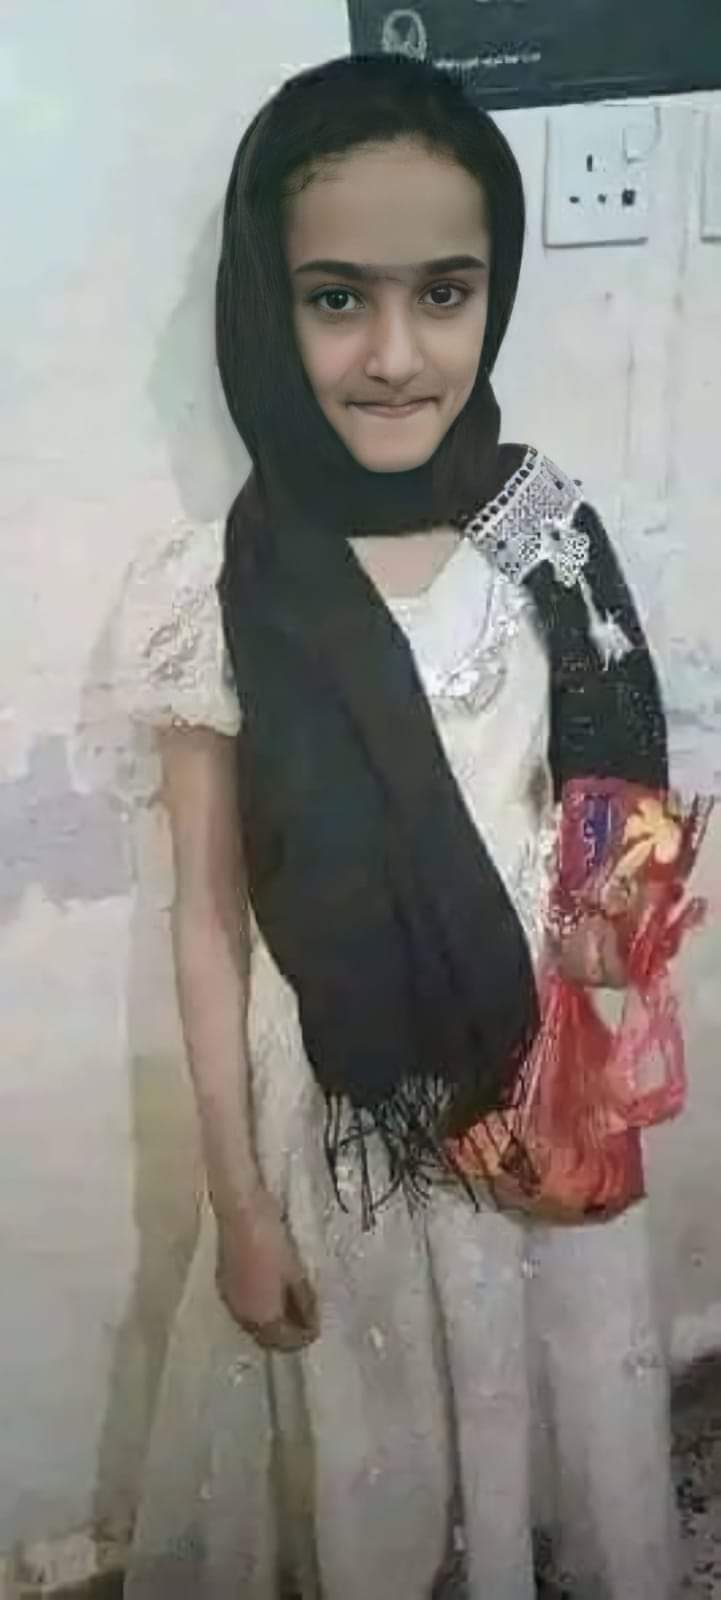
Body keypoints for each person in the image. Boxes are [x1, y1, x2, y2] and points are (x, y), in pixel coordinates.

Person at [116, 54, 680, 1600]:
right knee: (379, 1454)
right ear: (265, 303)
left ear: (493, 289)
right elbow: (207, 919)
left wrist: (602, 982)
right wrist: (237, 1205)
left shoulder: (539, 531)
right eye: (333, 299)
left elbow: (615, 794)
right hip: (340, 1119)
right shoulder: (215, 583)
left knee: (540, 1420)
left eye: (442, 293)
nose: (392, 354)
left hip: (535, 1073)